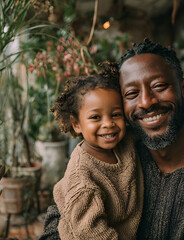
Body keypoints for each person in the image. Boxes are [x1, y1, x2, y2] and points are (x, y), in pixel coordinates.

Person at [40, 39, 184, 240]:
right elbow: (57, 223)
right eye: (131, 94)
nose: (146, 102)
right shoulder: (111, 153)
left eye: (159, 86)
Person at [48, 71, 143, 240]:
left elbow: (148, 132)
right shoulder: (82, 178)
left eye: (115, 114)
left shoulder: (126, 141)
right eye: (95, 117)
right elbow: (90, 232)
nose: (108, 124)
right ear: (77, 124)